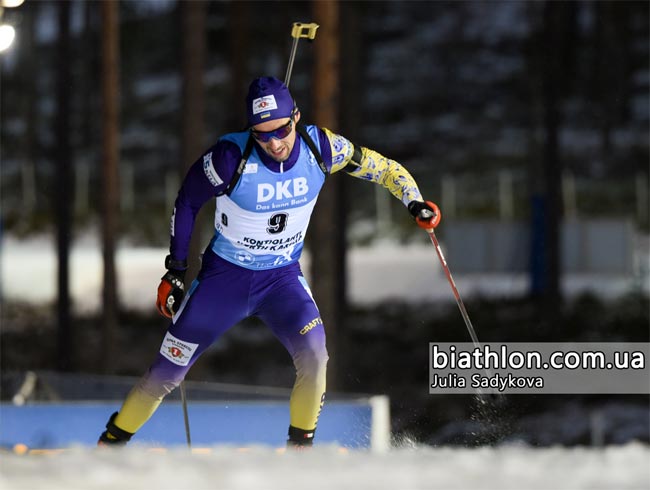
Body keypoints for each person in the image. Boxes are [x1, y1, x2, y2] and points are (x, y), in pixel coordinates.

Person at [98, 76, 440, 448]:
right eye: (262, 134)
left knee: (314, 355)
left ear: (296, 116)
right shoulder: (230, 158)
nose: (275, 142)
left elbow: (385, 168)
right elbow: (188, 202)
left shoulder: (319, 146)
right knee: (166, 372)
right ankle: (111, 443)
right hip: (224, 280)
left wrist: (414, 201)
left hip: (281, 280)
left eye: (281, 129)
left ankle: (300, 450)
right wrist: (176, 271)